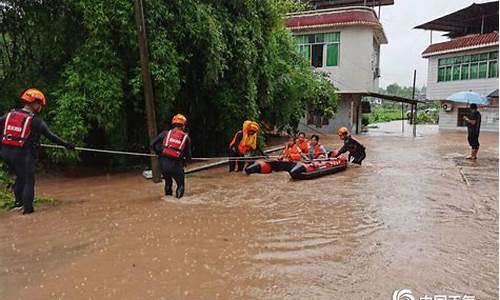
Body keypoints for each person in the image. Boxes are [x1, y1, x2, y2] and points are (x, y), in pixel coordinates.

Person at [0, 88, 74, 214]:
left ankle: (18, 203)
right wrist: (67, 145)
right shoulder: (35, 121)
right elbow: (51, 136)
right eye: (39, 104)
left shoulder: (9, 115)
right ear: (33, 103)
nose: (40, 106)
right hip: (23, 155)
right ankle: (28, 210)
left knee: (20, 177)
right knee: (29, 180)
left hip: (6, 153)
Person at [151, 114, 191, 199]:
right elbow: (188, 156)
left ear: (173, 124)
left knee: (168, 183)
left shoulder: (165, 133)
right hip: (176, 164)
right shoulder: (186, 138)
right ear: (183, 126)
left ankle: (168, 199)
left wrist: (159, 152)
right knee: (180, 185)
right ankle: (178, 201)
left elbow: (152, 144)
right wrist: (184, 161)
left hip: (164, 164)